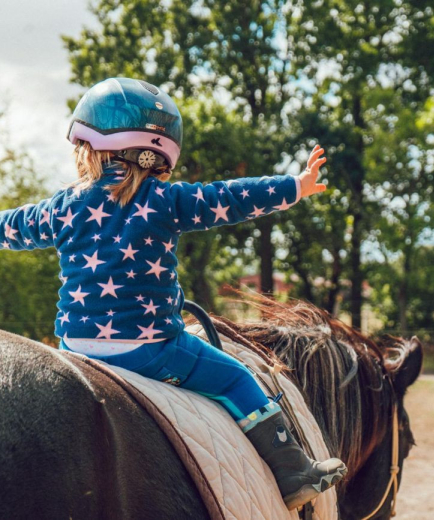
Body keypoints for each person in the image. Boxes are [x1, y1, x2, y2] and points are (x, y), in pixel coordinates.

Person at [0, 77, 347, 510]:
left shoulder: (62, 205)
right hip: (150, 349)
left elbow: (11, 226)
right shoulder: (165, 200)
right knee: (237, 379)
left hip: (74, 346)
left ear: (87, 148)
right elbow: (231, 197)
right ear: (159, 156)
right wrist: (296, 186)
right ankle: (294, 472)